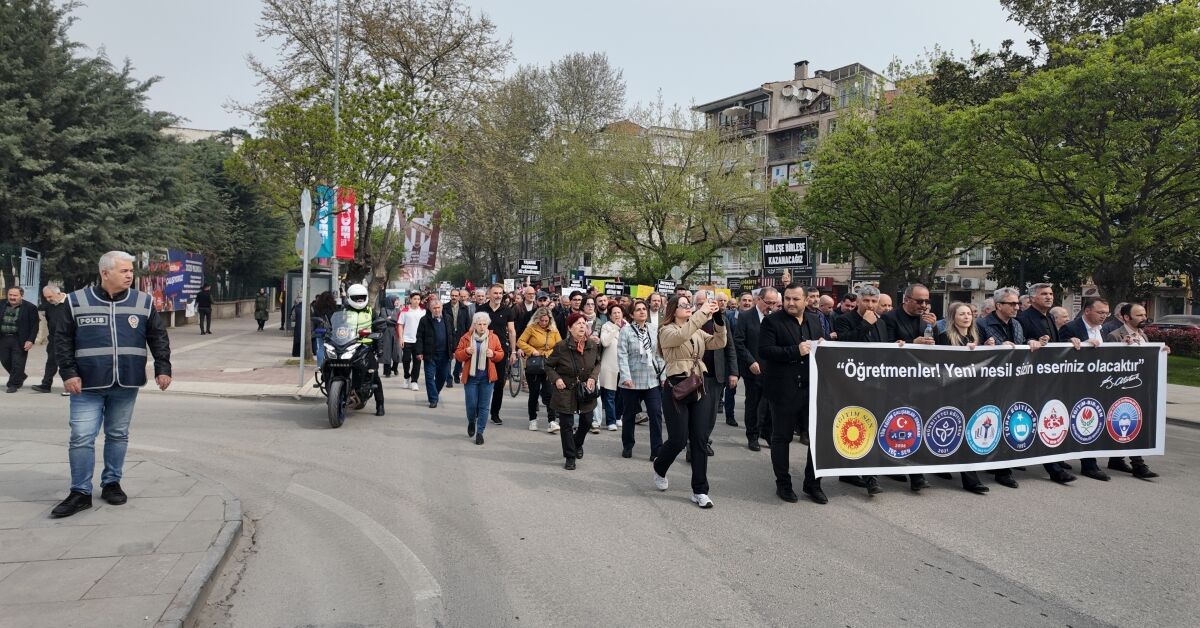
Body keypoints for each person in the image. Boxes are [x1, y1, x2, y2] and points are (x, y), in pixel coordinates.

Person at [50, 251, 172, 518]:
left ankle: (112, 483)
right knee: (81, 437)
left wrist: (163, 368)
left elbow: (158, 336)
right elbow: (62, 339)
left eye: (131, 271)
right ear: (105, 273)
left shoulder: (143, 301)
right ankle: (80, 492)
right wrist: (68, 373)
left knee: (117, 435)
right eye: (124, 271)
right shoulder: (76, 301)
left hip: (126, 382)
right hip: (86, 384)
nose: (129, 275)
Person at [978, 287, 1068, 487]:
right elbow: (976, 350)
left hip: (1018, 381)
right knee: (998, 424)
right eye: (1011, 304)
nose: (1017, 307)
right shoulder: (983, 324)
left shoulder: (1017, 324)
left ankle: (1019, 466)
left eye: (1018, 303)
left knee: (1014, 422)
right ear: (998, 305)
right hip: (993, 383)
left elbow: (1021, 342)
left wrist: (1032, 341)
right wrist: (991, 346)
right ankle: (1001, 471)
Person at [654, 294, 726, 509]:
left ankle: (700, 490)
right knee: (678, 440)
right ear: (673, 309)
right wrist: (702, 312)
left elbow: (719, 342)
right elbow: (681, 336)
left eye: (689, 304)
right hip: (677, 387)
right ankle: (660, 467)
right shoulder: (666, 330)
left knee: (700, 439)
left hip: (698, 385)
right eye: (683, 305)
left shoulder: (696, 329)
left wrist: (718, 319)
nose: (688, 307)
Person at [833, 285, 903, 496]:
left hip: (876, 383)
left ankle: (868, 475)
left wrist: (897, 345)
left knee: (872, 427)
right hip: (852, 382)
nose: (870, 305)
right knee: (855, 427)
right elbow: (844, 344)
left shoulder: (881, 323)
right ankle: (857, 473)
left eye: (874, 301)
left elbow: (882, 349)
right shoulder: (844, 320)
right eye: (866, 301)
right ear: (858, 301)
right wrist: (865, 324)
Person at [759, 283, 823, 504]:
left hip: (811, 388)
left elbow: (819, 348)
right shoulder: (772, 321)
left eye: (796, 299)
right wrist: (795, 350)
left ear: (806, 300)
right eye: (787, 298)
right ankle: (783, 484)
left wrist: (823, 345)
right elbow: (765, 351)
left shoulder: (815, 320)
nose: (790, 303)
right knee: (782, 438)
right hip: (783, 390)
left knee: (816, 439)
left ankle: (812, 484)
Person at [883, 284, 939, 492]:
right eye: (919, 301)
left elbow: (939, 348)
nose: (924, 305)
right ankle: (895, 466)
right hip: (896, 383)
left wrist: (935, 329)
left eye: (926, 301)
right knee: (900, 427)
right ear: (906, 300)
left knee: (917, 427)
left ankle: (916, 474)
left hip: (921, 382)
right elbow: (885, 346)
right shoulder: (890, 318)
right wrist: (911, 342)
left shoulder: (927, 320)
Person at [934, 302, 994, 494]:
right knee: (955, 430)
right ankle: (965, 476)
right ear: (953, 318)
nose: (967, 317)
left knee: (967, 431)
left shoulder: (977, 336)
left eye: (969, 313)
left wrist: (987, 348)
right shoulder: (944, 337)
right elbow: (940, 364)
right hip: (952, 392)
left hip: (973, 391)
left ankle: (967, 476)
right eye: (962, 314)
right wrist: (963, 354)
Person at [546, 312, 601, 470]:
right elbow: (548, 365)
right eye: (578, 324)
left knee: (587, 421)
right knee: (566, 424)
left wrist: (593, 377)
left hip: (585, 389)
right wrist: (556, 379)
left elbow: (598, 363)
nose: (582, 326)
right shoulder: (561, 347)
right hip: (566, 389)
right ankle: (570, 456)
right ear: (570, 328)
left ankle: (577, 443)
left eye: (584, 323)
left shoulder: (592, 345)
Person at [618, 300, 666, 460]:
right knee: (629, 415)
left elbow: (658, 354)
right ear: (632, 314)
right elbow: (622, 355)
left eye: (644, 309)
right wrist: (625, 377)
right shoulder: (625, 331)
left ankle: (656, 450)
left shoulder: (653, 329)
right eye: (638, 310)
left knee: (656, 414)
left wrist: (663, 376)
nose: (642, 312)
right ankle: (628, 445)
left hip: (652, 380)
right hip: (631, 381)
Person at [733, 287, 779, 451]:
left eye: (774, 303)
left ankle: (767, 432)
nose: (771, 306)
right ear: (758, 299)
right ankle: (752, 435)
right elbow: (739, 341)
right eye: (768, 302)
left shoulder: (776, 317)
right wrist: (750, 361)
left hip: (772, 369)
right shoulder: (746, 317)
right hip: (753, 369)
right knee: (753, 403)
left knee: (770, 403)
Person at [692, 290, 737, 454]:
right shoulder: (690, 321)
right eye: (699, 304)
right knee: (696, 413)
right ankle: (693, 444)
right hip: (694, 376)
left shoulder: (721, 320)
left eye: (705, 303)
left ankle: (704, 440)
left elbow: (730, 347)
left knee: (711, 415)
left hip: (715, 375)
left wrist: (733, 372)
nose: (702, 307)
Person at [454, 313, 505, 445]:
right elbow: (458, 355)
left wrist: (493, 354)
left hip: (487, 378)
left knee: (484, 406)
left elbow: (501, 354)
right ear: (475, 325)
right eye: (479, 324)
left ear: (487, 325)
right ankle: (472, 421)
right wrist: (466, 352)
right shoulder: (466, 337)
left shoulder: (493, 337)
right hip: (471, 378)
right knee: (471, 405)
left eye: (484, 324)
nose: (482, 327)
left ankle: (480, 432)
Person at [342, 284, 386, 416]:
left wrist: (379, 347)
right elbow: (335, 326)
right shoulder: (343, 312)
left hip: (365, 347)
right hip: (346, 346)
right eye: (356, 298)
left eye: (362, 297)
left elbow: (379, 329)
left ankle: (380, 404)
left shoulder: (371, 312)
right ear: (350, 297)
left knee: (374, 375)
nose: (360, 300)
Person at [518, 306, 562, 432]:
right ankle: (532, 419)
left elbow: (559, 346)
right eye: (541, 320)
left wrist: (549, 353)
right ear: (537, 319)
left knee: (549, 393)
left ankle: (552, 421)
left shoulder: (554, 330)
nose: (543, 323)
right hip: (534, 364)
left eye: (546, 321)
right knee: (534, 393)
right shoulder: (531, 328)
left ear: (550, 320)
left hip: (549, 364)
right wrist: (532, 350)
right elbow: (520, 342)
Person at [479, 284, 518, 425]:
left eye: (500, 293)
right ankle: (480, 409)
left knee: (500, 383)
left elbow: (512, 331)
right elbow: (474, 329)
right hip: (482, 350)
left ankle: (495, 413)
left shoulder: (507, 310)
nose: (498, 296)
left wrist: (513, 351)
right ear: (489, 294)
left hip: (500, 351)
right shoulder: (481, 309)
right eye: (495, 293)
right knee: (482, 380)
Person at [415, 298, 452, 408]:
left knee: (442, 377)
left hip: (445, 354)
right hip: (430, 354)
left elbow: (452, 335)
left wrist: (453, 350)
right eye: (434, 308)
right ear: (430, 309)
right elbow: (419, 337)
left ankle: (434, 392)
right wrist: (419, 352)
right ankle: (433, 399)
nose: (437, 310)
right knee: (430, 377)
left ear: (442, 307)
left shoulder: (448, 318)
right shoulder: (424, 320)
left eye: (438, 307)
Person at [33, 285, 71, 394]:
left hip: (69, 339)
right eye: (46, 297)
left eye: (50, 296)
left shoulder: (71, 302)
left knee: (68, 362)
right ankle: (46, 385)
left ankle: (70, 387)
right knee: (51, 362)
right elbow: (50, 321)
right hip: (54, 338)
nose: (48, 299)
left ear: (58, 293)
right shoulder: (49, 305)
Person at [1, 286, 38, 393]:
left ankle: (13, 384)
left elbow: (34, 325)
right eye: (10, 295)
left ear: (21, 296)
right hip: (3, 338)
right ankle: (21, 376)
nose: (12, 297)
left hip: (20, 339)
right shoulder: (1, 304)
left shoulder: (30, 307)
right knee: (5, 361)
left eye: (15, 295)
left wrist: (30, 340)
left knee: (17, 362)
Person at [597, 303, 627, 432]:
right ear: (610, 315)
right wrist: (615, 327)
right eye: (614, 313)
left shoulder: (628, 326)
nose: (617, 315)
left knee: (622, 395)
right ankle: (611, 421)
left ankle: (618, 416)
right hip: (610, 366)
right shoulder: (606, 326)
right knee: (609, 395)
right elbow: (605, 342)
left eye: (619, 312)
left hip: (624, 366)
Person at [396, 293, 425, 391]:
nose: (417, 301)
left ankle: (414, 381)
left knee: (417, 362)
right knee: (406, 360)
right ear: (410, 300)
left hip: (419, 341)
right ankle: (406, 376)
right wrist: (401, 338)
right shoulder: (405, 311)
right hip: (407, 340)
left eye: (418, 299)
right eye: (415, 299)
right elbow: (400, 325)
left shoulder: (423, 312)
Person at [447, 290, 470, 387]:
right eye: (452, 295)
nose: (454, 297)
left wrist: (468, 335)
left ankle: (456, 374)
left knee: (459, 357)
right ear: (450, 296)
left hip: (461, 335)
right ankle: (448, 378)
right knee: (448, 357)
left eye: (456, 295)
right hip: (449, 335)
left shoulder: (464, 308)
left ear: (459, 296)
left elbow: (467, 323)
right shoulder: (445, 307)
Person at [378, 296, 401, 378]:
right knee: (387, 351)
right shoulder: (383, 309)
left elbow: (399, 320)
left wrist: (390, 319)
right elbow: (385, 319)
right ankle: (387, 372)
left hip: (396, 331)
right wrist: (393, 320)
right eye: (395, 300)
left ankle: (395, 368)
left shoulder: (397, 310)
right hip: (387, 332)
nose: (396, 302)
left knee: (397, 351)